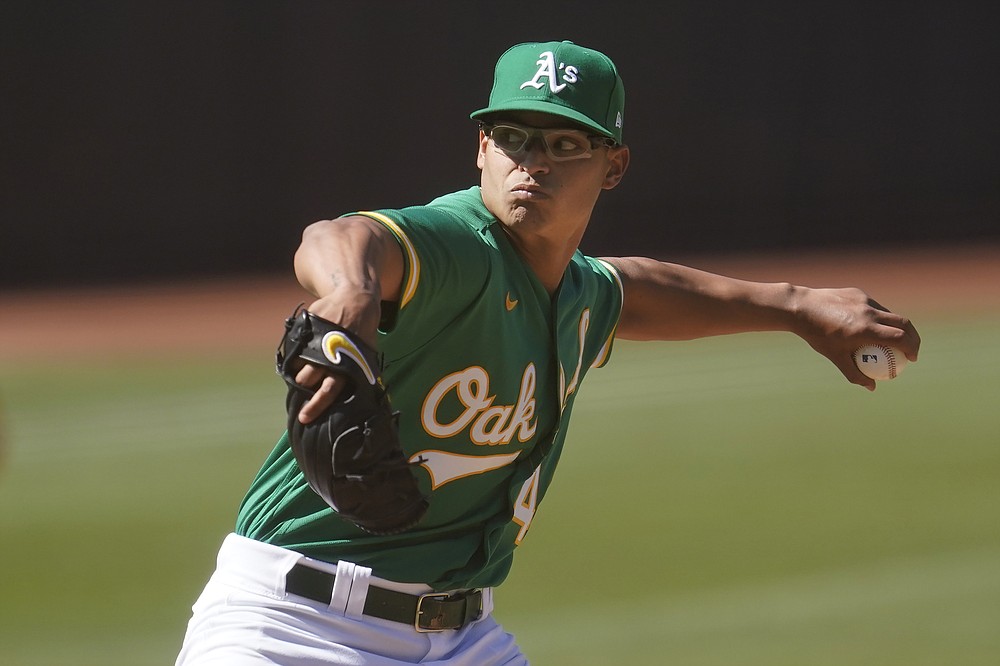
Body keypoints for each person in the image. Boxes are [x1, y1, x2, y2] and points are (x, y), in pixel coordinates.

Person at [175, 40, 920, 665]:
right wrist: (348, 291)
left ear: (614, 166)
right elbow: (340, 237)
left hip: (463, 639)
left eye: (565, 144)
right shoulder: (459, 245)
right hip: (292, 627)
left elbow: (635, 288)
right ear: (481, 148)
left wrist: (796, 306)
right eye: (514, 139)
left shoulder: (577, 294)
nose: (533, 162)